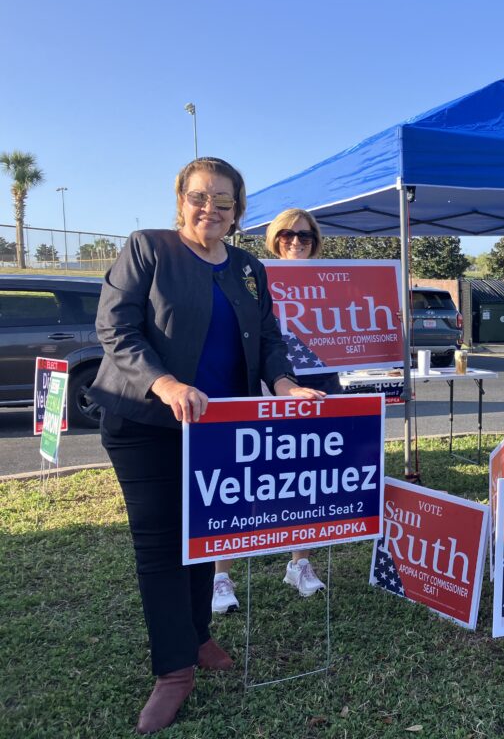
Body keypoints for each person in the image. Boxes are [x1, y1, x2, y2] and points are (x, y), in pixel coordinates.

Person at [90, 158, 325, 734]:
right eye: (200, 197)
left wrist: (286, 382)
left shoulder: (248, 268)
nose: (210, 209)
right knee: (162, 547)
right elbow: (117, 329)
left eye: (223, 200)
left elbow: (268, 337)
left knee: (204, 538)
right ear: (181, 200)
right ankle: (174, 672)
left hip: (220, 430)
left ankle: (198, 637)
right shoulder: (148, 248)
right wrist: (165, 383)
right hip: (146, 422)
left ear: (238, 211)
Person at [211, 208, 336, 613]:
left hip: (317, 388)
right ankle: (220, 576)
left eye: (305, 235)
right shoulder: (250, 278)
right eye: (286, 234)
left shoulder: (335, 281)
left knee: (305, 481)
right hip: (260, 387)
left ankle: (299, 564)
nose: (296, 241)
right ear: (273, 238)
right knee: (241, 481)